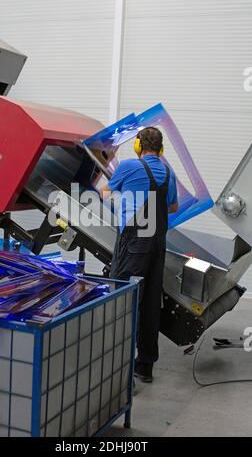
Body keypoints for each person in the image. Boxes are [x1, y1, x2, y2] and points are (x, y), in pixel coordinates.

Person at [100, 127, 178, 382]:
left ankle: (117, 364)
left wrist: (107, 163)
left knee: (123, 298)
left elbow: (104, 192)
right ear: (161, 149)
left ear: (137, 146)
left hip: (134, 242)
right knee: (150, 303)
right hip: (157, 242)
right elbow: (173, 206)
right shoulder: (169, 172)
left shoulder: (129, 167)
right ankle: (145, 367)